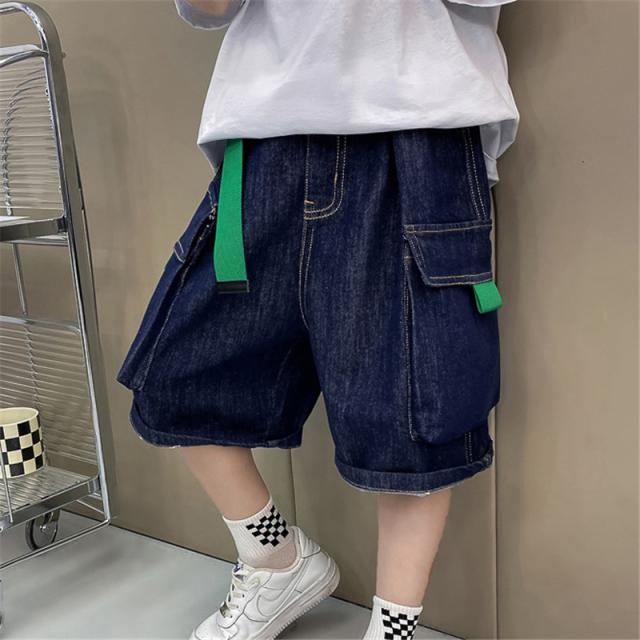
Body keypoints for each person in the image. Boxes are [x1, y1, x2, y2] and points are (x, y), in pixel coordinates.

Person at [116, 1, 519, 638]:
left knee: (414, 417)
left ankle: (393, 630)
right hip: (264, 142)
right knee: (177, 381)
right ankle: (276, 560)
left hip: (416, 134)